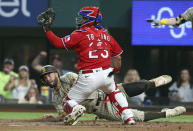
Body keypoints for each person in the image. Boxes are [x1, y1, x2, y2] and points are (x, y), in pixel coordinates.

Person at [38, 7, 136, 125]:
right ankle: (128, 117)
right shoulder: (107, 36)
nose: (80, 20)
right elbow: (118, 57)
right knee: (114, 91)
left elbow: (58, 43)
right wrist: (115, 70)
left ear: (91, 19)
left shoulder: (80, 34)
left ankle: (76, 108)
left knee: (66, 102)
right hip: (107, 73)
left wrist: (47, 29)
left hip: (88, 76)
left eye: (84, 17)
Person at [40, 65, 186, 123]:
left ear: (56, 73)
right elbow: (65, 114)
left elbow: (84, 81)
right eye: (46, 77)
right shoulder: (56, 97)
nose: (48, 78)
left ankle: (153, 83)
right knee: (136, 116)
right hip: (101, 109)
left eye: (50, 75)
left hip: (103, 92)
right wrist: (56, 118)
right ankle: (167, 113)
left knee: (137, 86)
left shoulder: (69, 77)